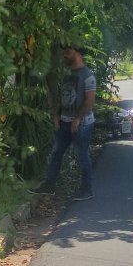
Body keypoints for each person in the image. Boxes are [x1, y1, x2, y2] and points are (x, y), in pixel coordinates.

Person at [32, 46, 97, 201]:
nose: (64, 55)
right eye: (64, 52)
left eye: (68, 52)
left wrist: (78, 119)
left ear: (78, 54)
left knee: (82, 156)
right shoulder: (66, 75)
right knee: (56, 153)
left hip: (82, 124)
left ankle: (87, 190)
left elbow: (89, 101)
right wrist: (56, 116)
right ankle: (49, 185)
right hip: (64, 122)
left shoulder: (88, 76)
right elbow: (61, 97)